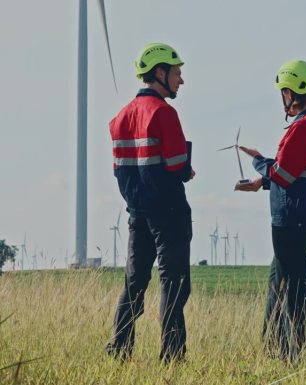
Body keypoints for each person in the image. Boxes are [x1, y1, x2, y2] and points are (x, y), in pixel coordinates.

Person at [106, 42, 195, 363]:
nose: (180, 81)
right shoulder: (163, 112)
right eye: (177, 73)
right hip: (168, 211)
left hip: (136, 210)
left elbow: (120, 169)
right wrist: (187, 168)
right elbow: (175, 164)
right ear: (160, 72)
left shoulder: (119, 119)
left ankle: (119, 348)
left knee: (134, 283)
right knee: (174, 284)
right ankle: (172, 356)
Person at [237, 60, 306, 361]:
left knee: (297, 293)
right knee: (278, 288)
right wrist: (262, 180)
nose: (282, 98)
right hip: (298, 219)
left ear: (291, 93)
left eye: (283, 92)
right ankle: (275, 352)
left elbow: (283, 174)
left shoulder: (305, 127)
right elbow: (289, 174)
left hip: (293, 223)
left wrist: (258, 162)